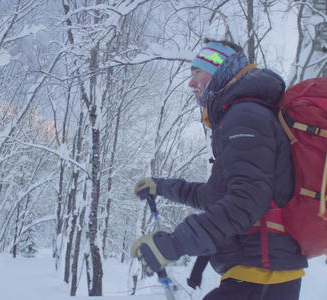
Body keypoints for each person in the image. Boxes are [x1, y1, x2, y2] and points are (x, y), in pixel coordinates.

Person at [130, 39, 308, 300]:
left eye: (197, 73)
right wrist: (160, 187)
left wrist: (173, 244)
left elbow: (246, 202)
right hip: (259, 276)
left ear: (219, 71)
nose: (191, 83)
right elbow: (215, 196)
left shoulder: (245, 115)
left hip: (262, 278)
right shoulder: (239, 115)